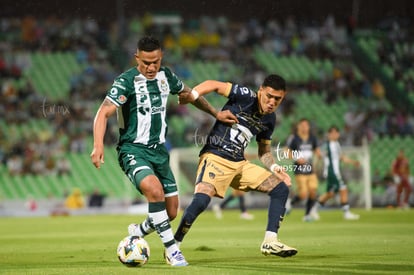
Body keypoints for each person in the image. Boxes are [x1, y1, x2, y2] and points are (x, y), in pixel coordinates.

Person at [90, 36, 234, 267]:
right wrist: (98, 144)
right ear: (137, 58)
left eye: (155, 62)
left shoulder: (166, 76)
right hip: (133, 149)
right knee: (154, 191)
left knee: (171, 212)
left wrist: (216, 113)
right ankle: (172, 251)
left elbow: (190, 95)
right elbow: (103, 112)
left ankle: (138, 230)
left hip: (159, 152)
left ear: (161, 57)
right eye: (145, 62)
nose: (150, 67)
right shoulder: (126, 81)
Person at [174, 74, 297, 259]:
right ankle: (174, 246)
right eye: (268, 96)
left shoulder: (270, 119)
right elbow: (213, 84)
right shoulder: (246, 96)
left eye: (277, 99)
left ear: (283, 97)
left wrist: (274, 167)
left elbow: (264, 152)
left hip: (239, 163)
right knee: (201, 201)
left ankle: (270, 241)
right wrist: (193, 95)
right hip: (216, 156)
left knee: (280, 188)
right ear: (261, 90)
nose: (271, 102)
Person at [312, 126, 360, 220]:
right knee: (343, 189)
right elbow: (319, 155)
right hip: (331, 172)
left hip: (335, 172)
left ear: (338, 134)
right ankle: (346, 213)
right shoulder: (327, 145)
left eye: (336, 133)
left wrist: (353, 162)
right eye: (332, 133)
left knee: (330, 194)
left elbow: (341, 157)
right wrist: (315, 168)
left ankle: (313, 209)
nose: (334, 135)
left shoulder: (337, 144)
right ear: (329, 134)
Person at [286, 118, 322, 222]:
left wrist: (319, 156)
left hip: (310, 169)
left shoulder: (312, 138)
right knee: (303, 194)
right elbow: (286, 151)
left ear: (309, 127)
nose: (304, 127)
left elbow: (317, 150)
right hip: (300, 169)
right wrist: (296, 158)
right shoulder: (294, 138)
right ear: (298, 127)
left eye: (306, 125)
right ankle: (290, 203)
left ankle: (307, 215)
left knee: (313, 192)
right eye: (302, 125)